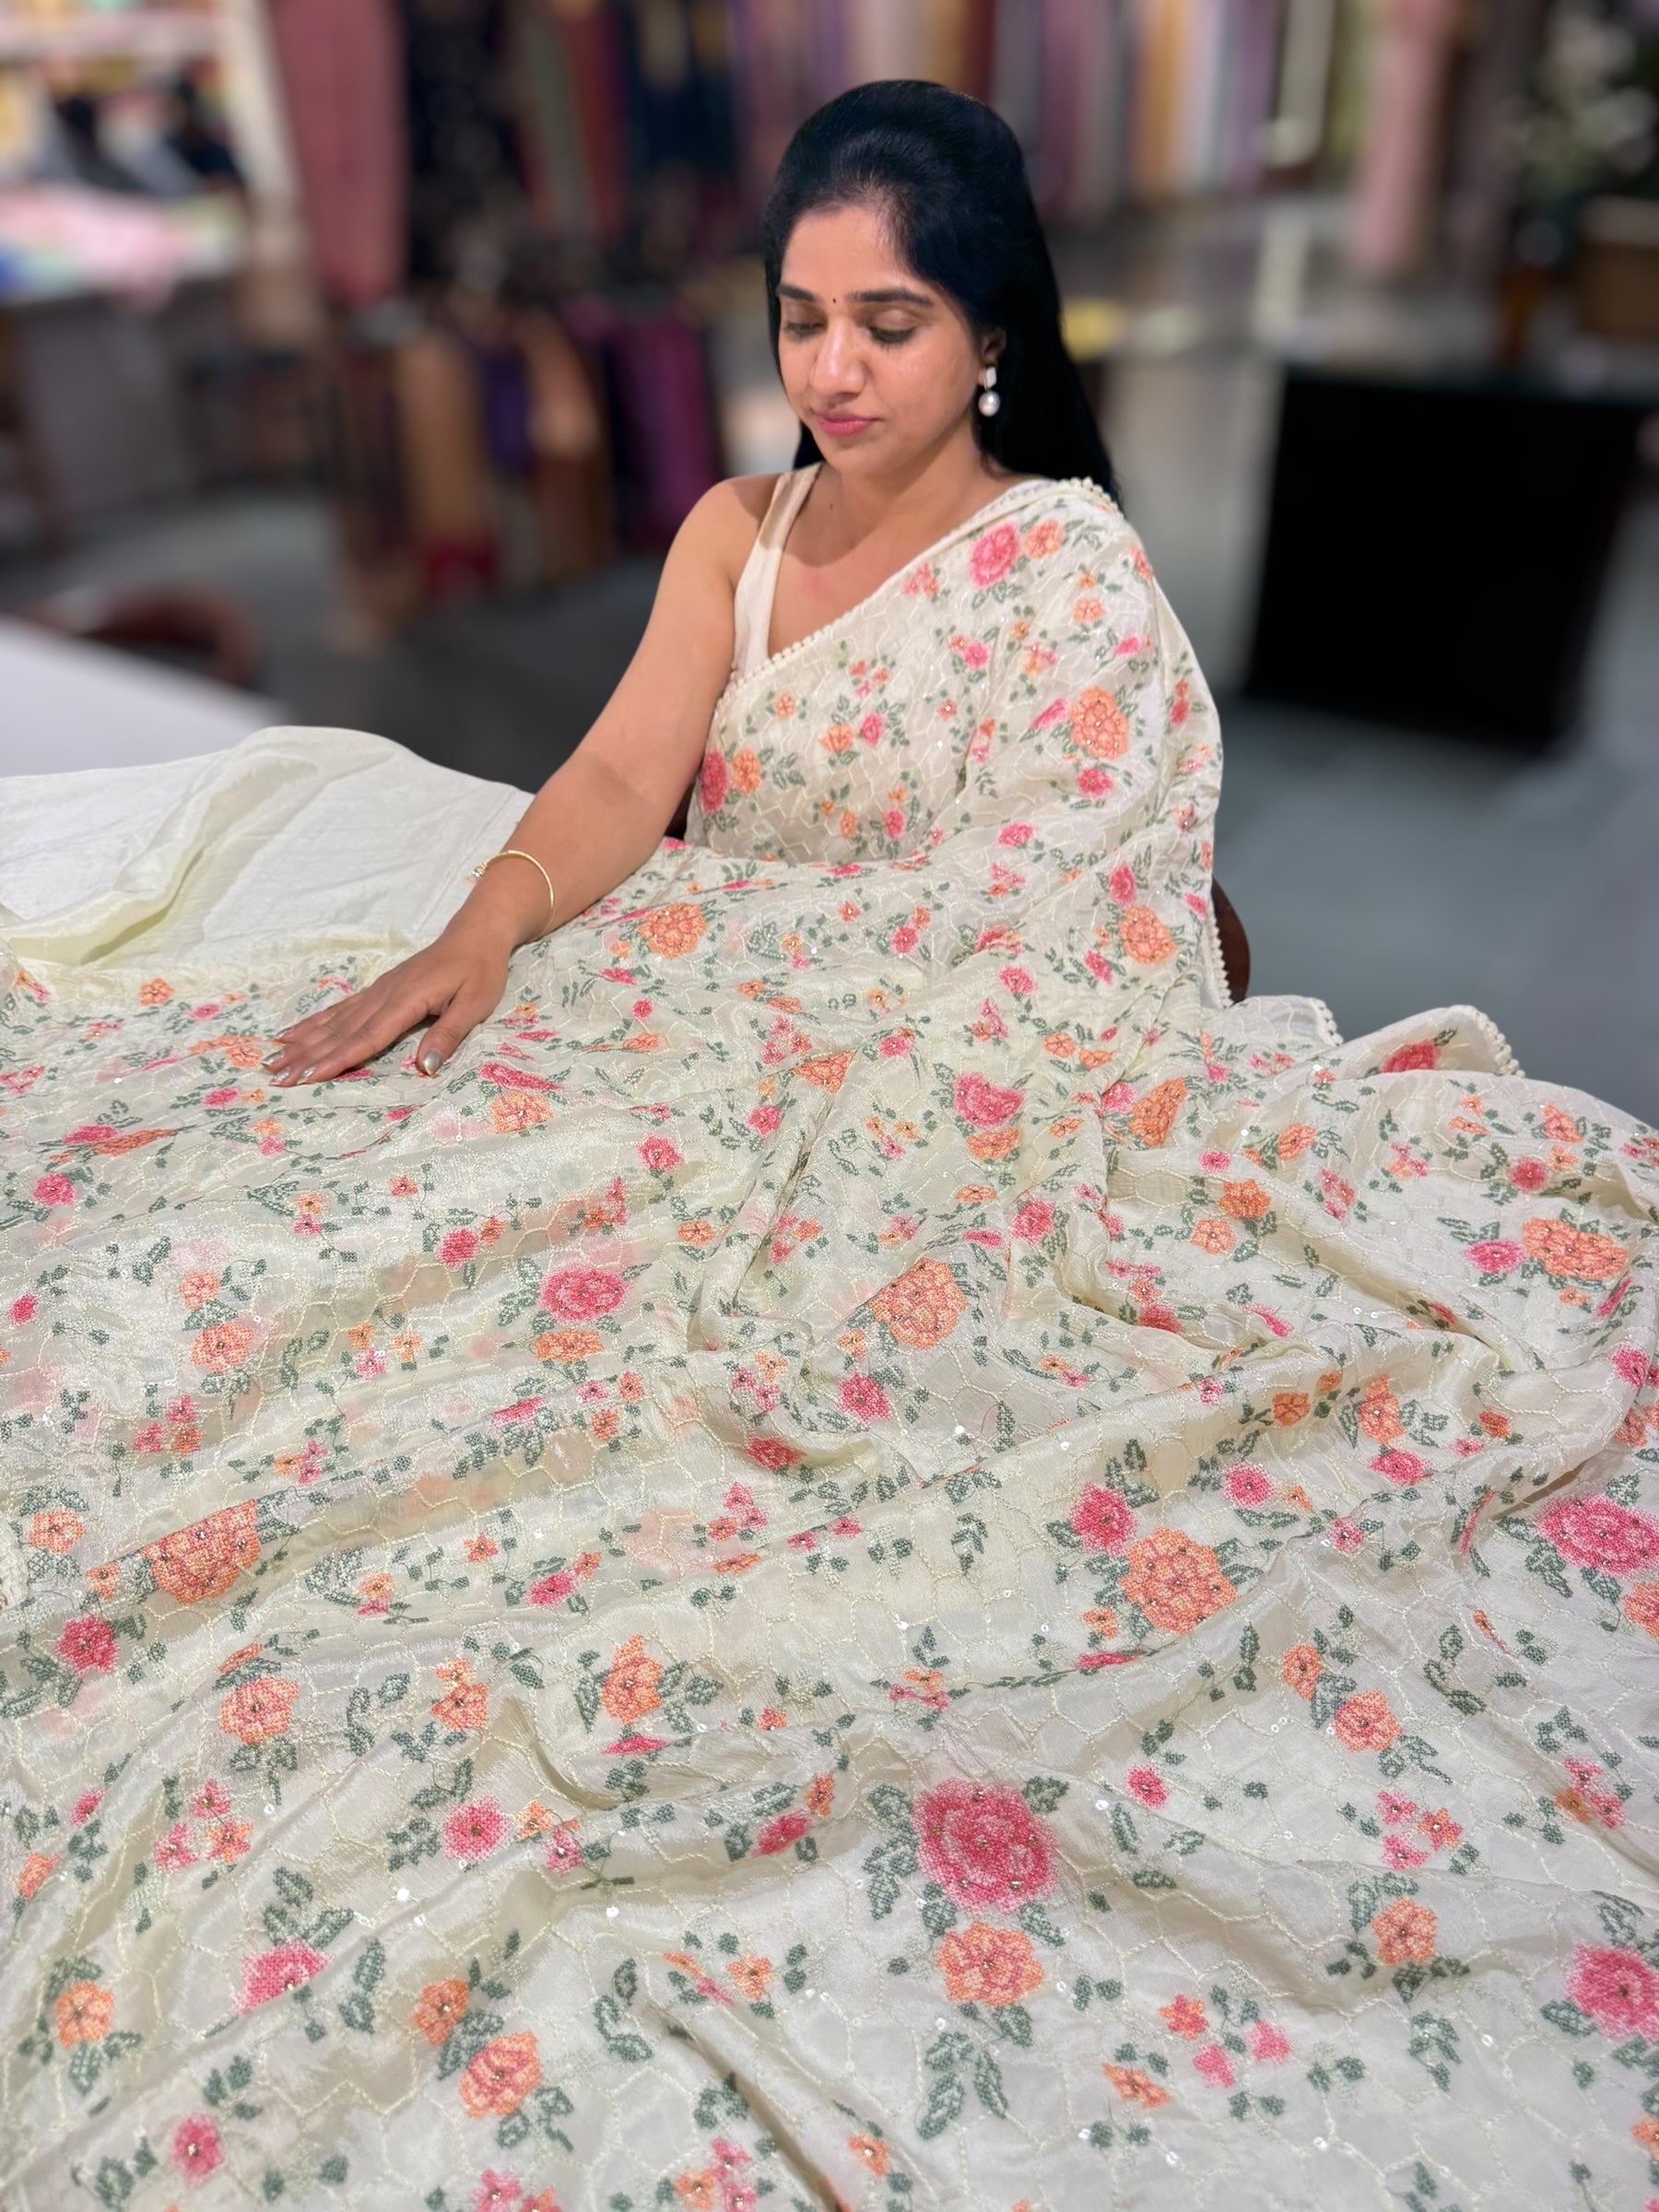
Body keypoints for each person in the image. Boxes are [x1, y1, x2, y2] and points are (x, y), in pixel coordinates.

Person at [3, 82, 1655, 2212]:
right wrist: (486, 927)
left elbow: (1086, 903)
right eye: (802, 318)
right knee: (278, 1223)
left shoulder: (1064, 568)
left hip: (921, 1060)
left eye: (890, 321)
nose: (836, 370)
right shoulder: (738, 531)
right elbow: (624, 779)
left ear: (991, 332)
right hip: (703, 1000)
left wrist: (852, 1041)